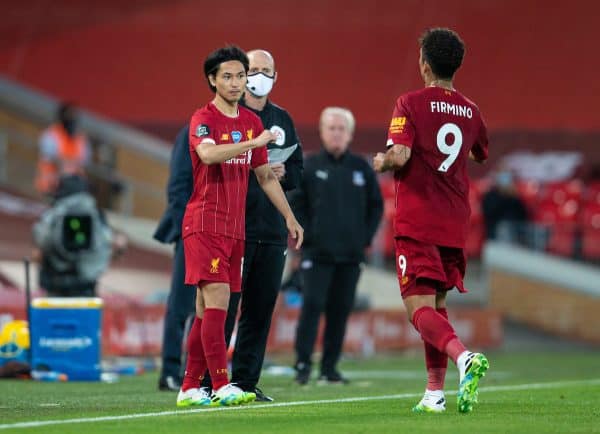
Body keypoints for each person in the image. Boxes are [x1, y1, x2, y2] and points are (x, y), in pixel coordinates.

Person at [177, 45, 303, 408]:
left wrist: (290, 217)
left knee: (205, 312)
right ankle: (219, 384)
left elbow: (264, 176)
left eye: (240, 76)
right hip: (205, 222)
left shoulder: (253, 123)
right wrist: (252, 143)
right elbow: (208, 154)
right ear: (212, 81)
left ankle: (188, 386)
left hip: (237, 229)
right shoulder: (203, 118)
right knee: (218, 305)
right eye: (227, 76)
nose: (236, 83)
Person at [373, 28, 490, 414]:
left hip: (418, 219)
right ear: (456, 65)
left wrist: (382, 159)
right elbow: (479, 153)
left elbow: (401, 156)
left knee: (415, 308)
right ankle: (434, 393)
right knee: (436, 305)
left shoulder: (409, 102)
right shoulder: (471, 109)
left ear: (424, 62)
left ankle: (463, 358)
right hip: (455, 220)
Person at [221, 49, 304, 402]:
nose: (257, 75)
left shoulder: (283, 120)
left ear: (275, 75)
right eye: (252, 69)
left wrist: (284, 175)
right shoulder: (228, 116)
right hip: (233, 227)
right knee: (222, 308)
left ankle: (245, 383)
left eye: (264, 70)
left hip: (270, 232)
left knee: (259, 310)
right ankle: (211, 381)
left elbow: (298, 169)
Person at [291, 107, 383, 385]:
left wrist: (364, 238)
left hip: (350, 255)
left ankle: (329, 368)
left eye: (341, 128)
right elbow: (297, 203)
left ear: (350, 134)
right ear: (321, 131)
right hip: (317, 253)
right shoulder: (309, 166)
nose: (336, 133)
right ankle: (303, 364)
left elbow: (376, 206)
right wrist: (306, 236)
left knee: (340, 311)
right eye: (331, 128)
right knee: (312, 306)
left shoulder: (361, 168)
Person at [32, 175, 125, 297]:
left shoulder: (52, 215)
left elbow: (39, 249)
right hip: (85, 287)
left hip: (55, 285)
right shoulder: (97, 215)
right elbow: (106, 249)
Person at [35, 103, 91, 196]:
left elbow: (84, 161)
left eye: (74, 116)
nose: (72, 120)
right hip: (50, 186)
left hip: (74, 190)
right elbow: (50, 156)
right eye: (69, 116)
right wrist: (68, 163)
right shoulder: (51, 134)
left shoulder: (81, 138)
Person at [481, 170, 528, 242]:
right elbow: (490, 213)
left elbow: (523, 215)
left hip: (514, 230)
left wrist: (513, 197)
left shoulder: (514, 196)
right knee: (504, 228)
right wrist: (503, 196)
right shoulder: (491, 195)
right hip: (496, 231)